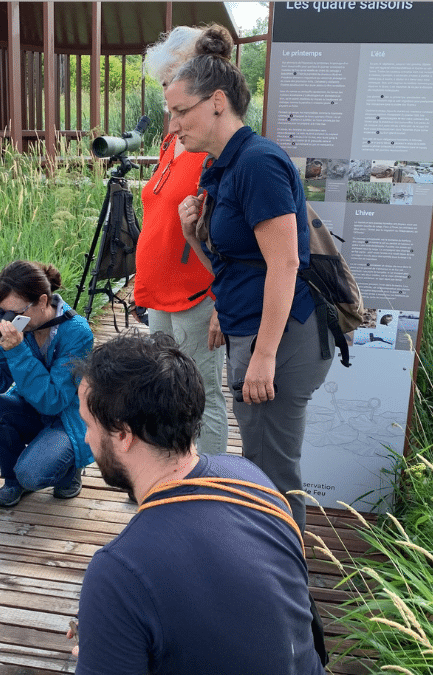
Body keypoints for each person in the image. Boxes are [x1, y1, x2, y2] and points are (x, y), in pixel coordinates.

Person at [70, 332, 326, 675]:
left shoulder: (118, 571)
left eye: (88, 424)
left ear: (122, 434)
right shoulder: (251, 479)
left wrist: (103, 639)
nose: (86, 437)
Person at [169, 26, 335, 532]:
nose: (172, 125)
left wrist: (263, 355)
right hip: (253, 328)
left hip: (282, 339)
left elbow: (286, 264)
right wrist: (190, 232)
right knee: (263, 463)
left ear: (217, 102)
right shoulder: (223, 164)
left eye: (180, 111)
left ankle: (285, 593)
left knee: (273, 473)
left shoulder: (258, 163)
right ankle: (267, 573)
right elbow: (232, 265)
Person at [134, 25, 228, 456]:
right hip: (159, 291)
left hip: (196, 293)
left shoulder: (213, 145)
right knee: (165, 391)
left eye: (170, 82)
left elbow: (228, 235)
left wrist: (221, 305)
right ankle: (171, 477)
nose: (166, 94)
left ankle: (209, 490)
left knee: (201, 392)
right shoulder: (173, 138)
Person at [0, 260, 94, 507]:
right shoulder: (20, 325)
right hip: (30, 405)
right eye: (3, 312)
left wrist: (17, 351)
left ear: (42, 301)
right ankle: (13, 481)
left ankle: (69, 469)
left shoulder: (77, 332)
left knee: (33, 474)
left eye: (16, 313)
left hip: (66, 416)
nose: (9, 321)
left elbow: (53, 401)